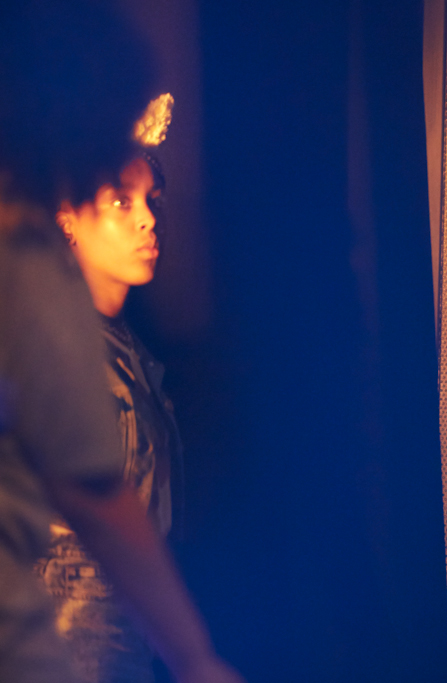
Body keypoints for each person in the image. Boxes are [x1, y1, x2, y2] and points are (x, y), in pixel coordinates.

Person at [0, 2, 242, 682]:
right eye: (119, 200)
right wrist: (193, 654)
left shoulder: (118, 350)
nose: (146, 220)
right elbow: (96, 495)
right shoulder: (44, 314)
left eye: (151, 199)